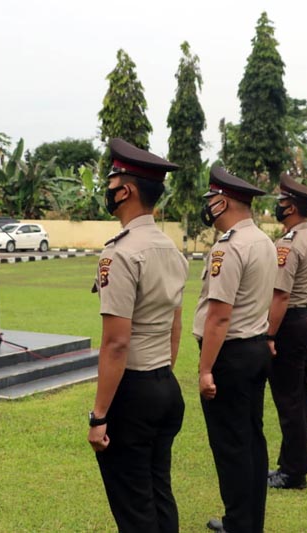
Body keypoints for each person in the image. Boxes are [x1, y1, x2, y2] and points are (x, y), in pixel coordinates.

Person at [87, 138, 188, 533]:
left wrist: (99, 416)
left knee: (133, 503)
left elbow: (116, 342)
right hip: (164, 384)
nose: (107, 191)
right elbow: (175, 326)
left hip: (133, 391)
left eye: (111, 183)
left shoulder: (121, 253)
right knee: (158, 488)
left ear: (125, 190)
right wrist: (162, 375)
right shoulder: (170, 248)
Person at [194, 167, 275, 533]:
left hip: (231, 355)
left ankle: (238, 523)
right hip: (255, 347)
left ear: (222, 201)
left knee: (231, 446)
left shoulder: (228, 246)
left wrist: (205, 369)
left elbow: (219, 317)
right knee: (251, 440)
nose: (208, 206)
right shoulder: (263, 240)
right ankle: (248, 521)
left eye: (211, 199)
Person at [266, 174, 307, 490]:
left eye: (280, 201)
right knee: (297, 398)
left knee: (289, 400)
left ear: (290, 206)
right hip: (306, 320)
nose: (278, 206)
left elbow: (280, 295)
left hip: (290, 324)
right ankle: (294, 464)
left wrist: (269, 335)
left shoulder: (288, 243)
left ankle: (292, 471)